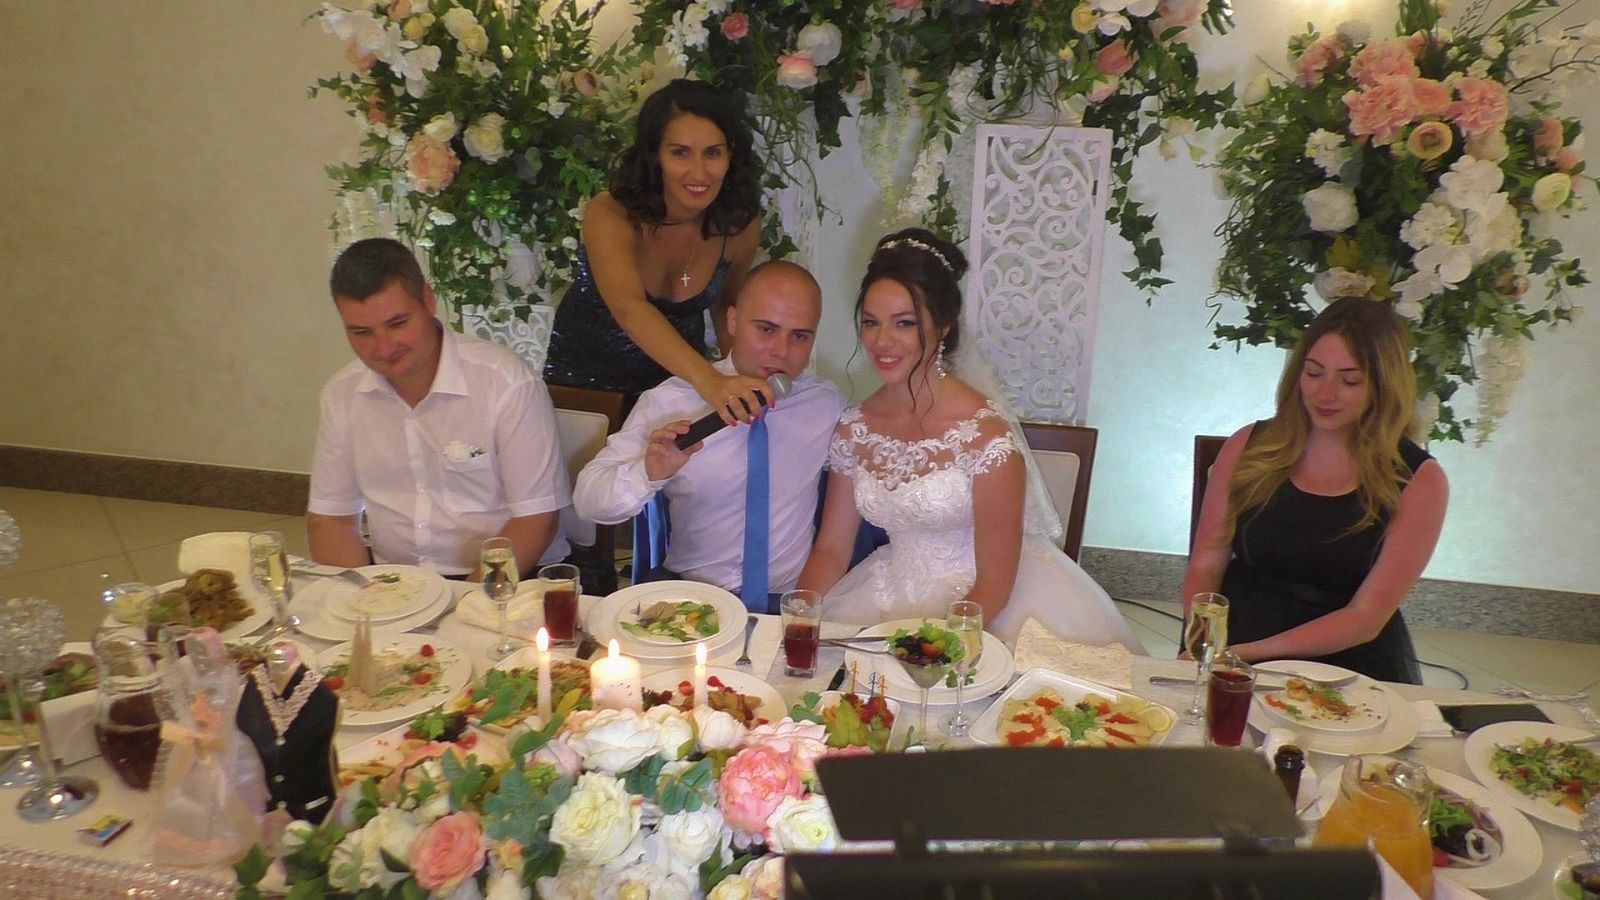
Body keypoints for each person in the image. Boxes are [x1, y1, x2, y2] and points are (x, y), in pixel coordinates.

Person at [798, 230, 1143, 649]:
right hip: (884, 592)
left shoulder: (985, 435)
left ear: (943, 326)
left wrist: (928, 650)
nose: (881, 341)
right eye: (871, 322)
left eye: (904, 323)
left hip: (987, 606)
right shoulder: (855, 427)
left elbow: (994, 583)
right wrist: (798, 617)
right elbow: (832, 550)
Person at [1182, 297, 1449, 683]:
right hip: (1238, 628)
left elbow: (1365, 618)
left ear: (1383, 386)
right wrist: (1204, 638)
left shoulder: (1420, 481)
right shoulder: (1249, 445)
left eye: (1349, 380)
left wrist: (1249, 655)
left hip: (1344, 656)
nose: (1325, 394)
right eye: (1314, 373)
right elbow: (1207, 559)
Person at [572, 261, 844, 610]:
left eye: (800, 336)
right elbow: (588, 502)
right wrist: (648, 472)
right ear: (732, 321)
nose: (781, 350)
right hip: (691, 604)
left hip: (789, 603)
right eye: (766, 329)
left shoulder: (825, 403)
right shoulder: (670, 402)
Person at [307, 238, 571, 579]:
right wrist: (360, 597)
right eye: (362, 333)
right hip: (396, 581)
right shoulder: (342, 393)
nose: (384, 347)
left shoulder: (504, 382)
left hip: (509, 579)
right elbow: (332, 519)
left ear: (429, 300)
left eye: (397, 324)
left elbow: (536, 520)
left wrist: (467, 602)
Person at [544, 79, 770, 423]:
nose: (699, 172)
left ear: (731, 156)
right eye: (680, 152)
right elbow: (629, 308)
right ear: (654, 156)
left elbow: (729, 312)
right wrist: (711, 381)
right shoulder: (610, 213)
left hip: (676, 397)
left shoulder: (740, 224)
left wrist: (745, 382)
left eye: (713, 152)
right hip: (586, 395)